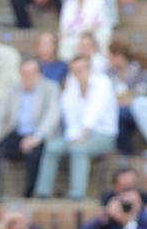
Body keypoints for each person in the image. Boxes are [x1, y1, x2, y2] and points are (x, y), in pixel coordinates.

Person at [34, 54, 117, 200]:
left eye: (81, 69)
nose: (78, 73)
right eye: (74, 70)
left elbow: (95, 110)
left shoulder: (102, 82)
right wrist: (74, 136)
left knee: (79, 149)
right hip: (76, 134)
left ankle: (77, 195)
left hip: (103, 134)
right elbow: (69, 114)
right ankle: (42, 193)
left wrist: (82, 135)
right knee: (52, 147)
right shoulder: (72, 84)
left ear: (89, 69)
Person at [0, 58, 60, 198]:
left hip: (39, 135)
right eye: (24, 73)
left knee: (35, 154)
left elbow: (52, 117)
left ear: (39, 74)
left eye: (31, 73)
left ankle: (30, 194)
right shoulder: (14, 89)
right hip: (16, 133)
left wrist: (36, 138)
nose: (27, 77)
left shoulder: (51, 88)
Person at [81, 186, 147, 229]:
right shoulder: (112, 219)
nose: (128, 206)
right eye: (125, 202)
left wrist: (128, 223)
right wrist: (105, 216)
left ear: (139, 203)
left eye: (132, 202)